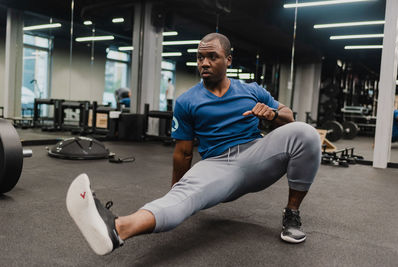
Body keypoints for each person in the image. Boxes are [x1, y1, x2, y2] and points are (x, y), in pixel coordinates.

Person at [66, 33, 321, 256]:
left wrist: (272, 114)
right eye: (200, 57)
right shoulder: (187, 101)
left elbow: (289, 116)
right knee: (180, 199)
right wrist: (175, 190)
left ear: (228, 60)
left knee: (305, 133)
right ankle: (116, 229)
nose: (204, 63)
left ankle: (291, 214)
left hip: (257, 154)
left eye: (212, 56)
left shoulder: (252, 90)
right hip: (217, 165)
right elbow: (183, 152)